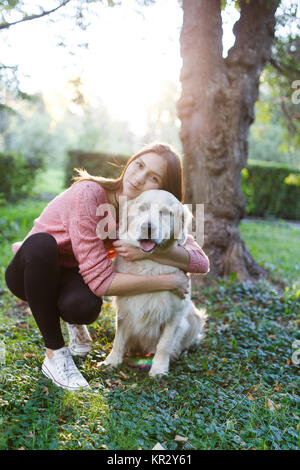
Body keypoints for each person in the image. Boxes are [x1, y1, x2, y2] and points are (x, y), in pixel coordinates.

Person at [4, 142, 210, 391]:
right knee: (42, 244)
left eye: (153, 177)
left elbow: (200, 261)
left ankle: (74, 322)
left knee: (85, 306)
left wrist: (147, 250)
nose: (139, 178)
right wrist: (168, 281)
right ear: (130, 161)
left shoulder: (146, 212)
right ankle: (55, 355)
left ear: (162, 188)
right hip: (31, 270)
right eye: (139, 165)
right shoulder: (90, 194)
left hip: (72, 272)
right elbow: (101, 283)